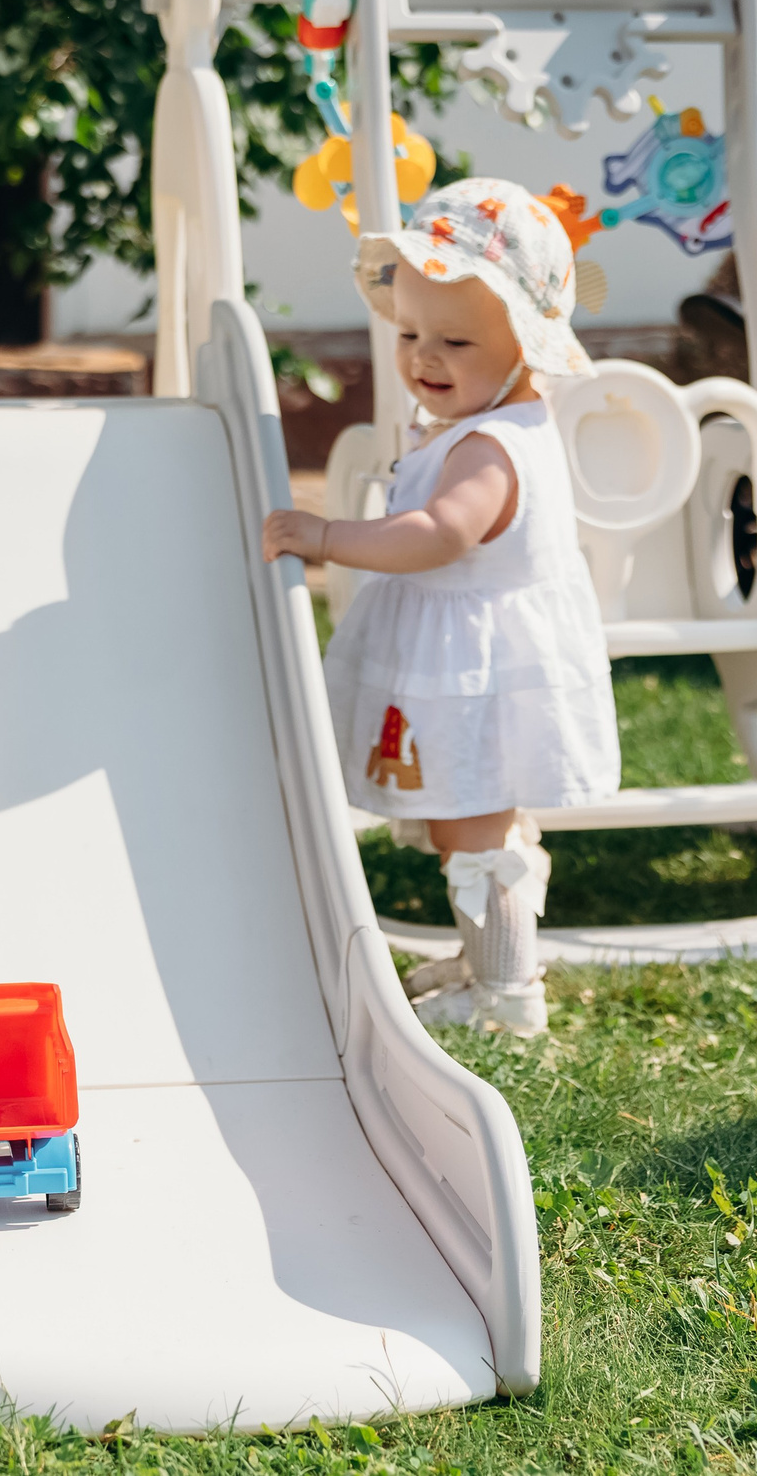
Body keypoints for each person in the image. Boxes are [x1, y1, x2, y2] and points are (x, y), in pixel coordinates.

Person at [262, 177, 619, 1037]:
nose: (425, 355)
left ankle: (506, 991)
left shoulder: (492, 444)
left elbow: (438, 534)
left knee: (472, 822)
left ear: (526, 349)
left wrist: (326, 536)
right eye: (412, 332)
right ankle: (486, 958)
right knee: (465, 815)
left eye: (456, 340)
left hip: (477, 669)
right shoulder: (483, 422)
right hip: (466, 655)